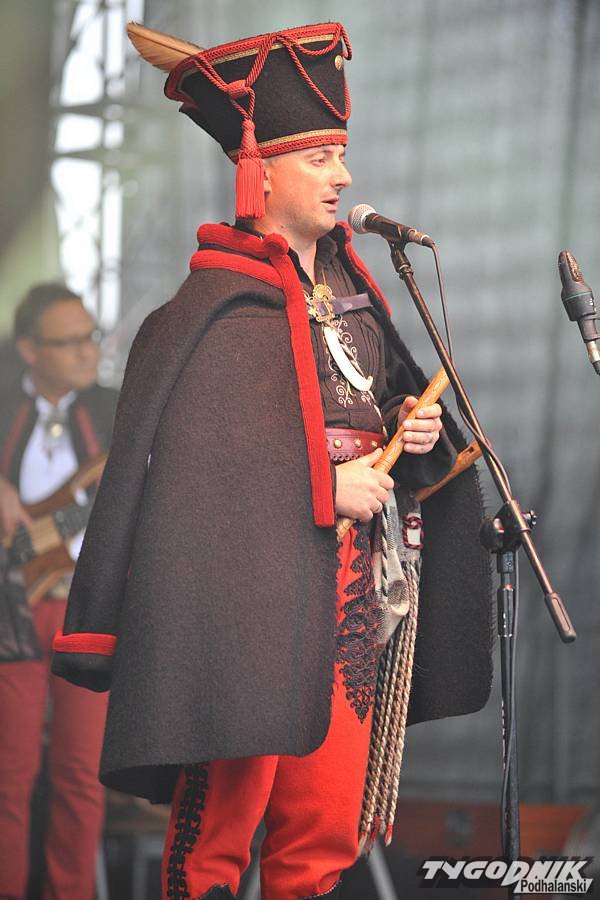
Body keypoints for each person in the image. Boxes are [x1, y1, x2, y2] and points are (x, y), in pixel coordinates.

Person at [52, 22, 493, 900]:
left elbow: (371, 415)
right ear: (261, 171)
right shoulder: (211, 310)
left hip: (349, 599)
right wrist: (325, 486)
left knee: (323, 831)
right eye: (322, 157)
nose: (344, 175)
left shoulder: (357, 295)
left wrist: (403, 433)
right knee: (218, 832)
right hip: (241, 609)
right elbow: (194, 483)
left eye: (343, 155)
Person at [0, 283, 118, 900]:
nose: (86, 351)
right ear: (30, 349)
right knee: (8, 773)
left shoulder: (116, 411)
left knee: (80, 773)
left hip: (85, 608)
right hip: (12, 611)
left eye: (89, 337)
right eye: (68, 342)